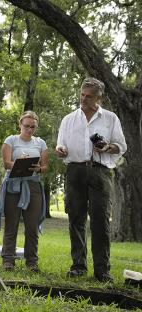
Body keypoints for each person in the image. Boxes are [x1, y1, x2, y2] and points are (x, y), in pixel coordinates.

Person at [55, 77, 126, 282]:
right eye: (82, 95)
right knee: (76, 218)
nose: (83, 99)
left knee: (100, 220)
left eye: (89, 96)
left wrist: (107, 147)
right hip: (75, 171)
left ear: (99, 98)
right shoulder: (69, 119)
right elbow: (61, 145)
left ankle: (102, 270)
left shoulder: (110, 118)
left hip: (100, 171)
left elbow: (120, 146)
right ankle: (78, 266)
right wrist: (61, 150)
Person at [0, 111, 49, 272]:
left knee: (32, 226)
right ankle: (8, 260)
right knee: (12, 224)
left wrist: (38, 168)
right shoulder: (11, 140)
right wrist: (19, 163)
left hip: (33, 186)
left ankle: (32, 261)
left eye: (33, 127)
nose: (29, 129)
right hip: (14, 185)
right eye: (26, 126)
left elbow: (45, 167)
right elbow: (6, 163)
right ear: (20, 125)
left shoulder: (40, 143)